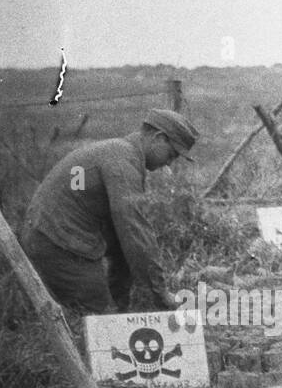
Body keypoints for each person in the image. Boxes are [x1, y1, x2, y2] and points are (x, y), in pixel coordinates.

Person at [18, 108, 199, 314]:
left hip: (52, 235)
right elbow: (134, 231)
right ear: (158, 138)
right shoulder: (123, 161)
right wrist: (160, 292)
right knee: (99, 316)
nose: (169, 163)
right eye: (172, 154)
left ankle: (116, 315)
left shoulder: (122, 153)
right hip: (57, 241)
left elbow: (123, 237)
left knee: (108, 311)